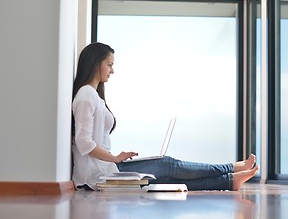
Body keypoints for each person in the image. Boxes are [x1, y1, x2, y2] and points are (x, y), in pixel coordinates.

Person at [71, 42, 259, 191]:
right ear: (96, 64)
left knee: (165, 177)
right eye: (109, 65)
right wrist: (115, 158)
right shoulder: (86, 95)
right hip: (98, 174)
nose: (112, 71)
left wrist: (115, 159)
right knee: (167, 164)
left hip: (105, 169)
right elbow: (83, 142)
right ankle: (231, 168)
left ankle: (228, 181)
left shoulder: (94, 96)